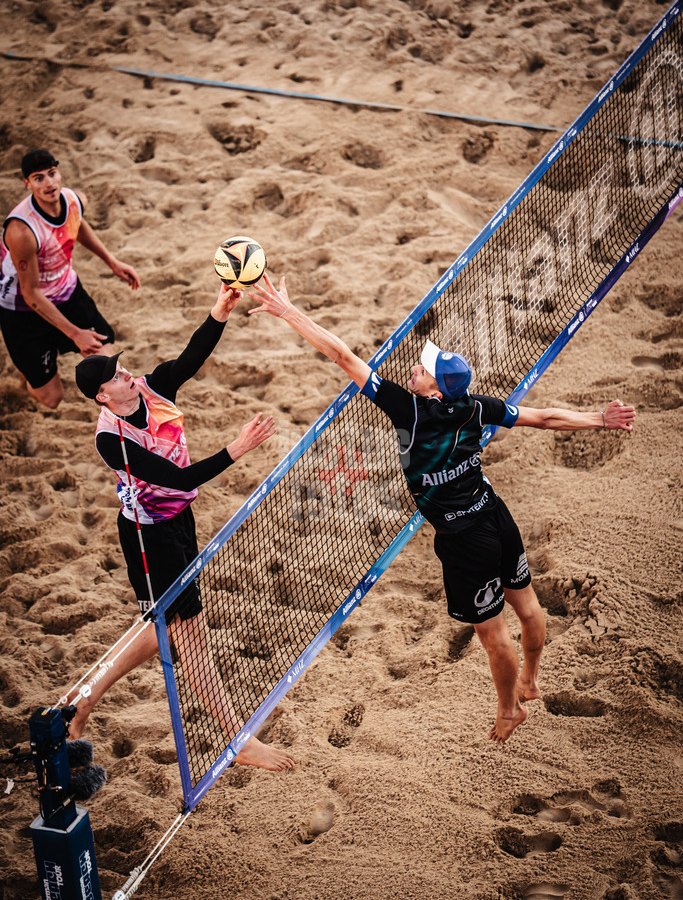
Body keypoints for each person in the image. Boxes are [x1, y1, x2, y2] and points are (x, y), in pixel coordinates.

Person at [248, 273, 636, 744]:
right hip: (496, 514)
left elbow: (342, 355)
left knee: (493, 637)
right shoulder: (475, 407)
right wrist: (600, 418)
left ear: (434, 390)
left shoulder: (408, 409)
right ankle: (532, 679)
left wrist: (289, 313)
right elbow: (545, 417)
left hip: (465, 540)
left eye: (424, 369)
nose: (415, 367)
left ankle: (510, 707)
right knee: (530, 608)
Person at [70, 281, 297, 772]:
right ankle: (238, 740)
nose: (126, 373)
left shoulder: (152, 389)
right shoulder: (115, 442)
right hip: (149, 538)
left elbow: (191, 357)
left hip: (180, 521)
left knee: (166, 630)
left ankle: (83, 698)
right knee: (186, 634)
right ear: (101, 396)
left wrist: (220, 309)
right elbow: (177, 478)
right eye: (115, 375)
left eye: (122, 367)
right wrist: (237, 449)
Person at [0, 148, 140, 409]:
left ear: (59, 173)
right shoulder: (21, 231)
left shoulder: (75, 200)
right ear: (27, 184)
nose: (49, 183)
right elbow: (31, 295)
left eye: (52, 174)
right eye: (39, 178)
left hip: (66, 291)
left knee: (106, 360)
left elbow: (76, 224)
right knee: (52, 398)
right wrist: (76, 334)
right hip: (23, 309)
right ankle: (27, 370)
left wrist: (112, 261)